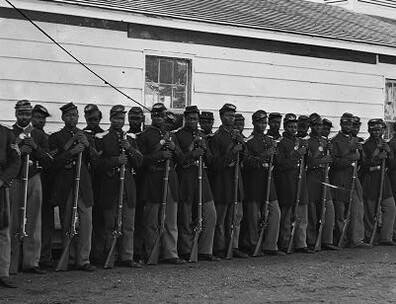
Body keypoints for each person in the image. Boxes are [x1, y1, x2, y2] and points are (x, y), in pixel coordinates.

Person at [48, 102, 96, 271]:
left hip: (83, 184)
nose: (72, 118)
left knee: (86, 223)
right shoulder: (56, 137)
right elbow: (52, 162)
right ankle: (68, 257)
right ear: (63, 117)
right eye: (68, 115)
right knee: (68, 221)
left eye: (74, 115)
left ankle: (83, 259)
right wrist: (71, 153)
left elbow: (96, 161)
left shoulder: (85, 136)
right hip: (66, 184)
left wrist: (88, 146)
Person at [95, 105, 143, 268]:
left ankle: (127, 256)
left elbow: (139, 162)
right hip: (110, 185)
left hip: (127, 185)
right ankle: (111, 255)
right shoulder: (101, 137)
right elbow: (97, 164)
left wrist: (129, 148)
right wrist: (115, 161)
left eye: (121, 118)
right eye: (116, 118)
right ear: (110, 118)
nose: (119, 121)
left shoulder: (130, 138)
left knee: (128, 224)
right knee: (111, 224)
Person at [137, 103, 185, 265]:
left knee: (170, 220)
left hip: (170, 179)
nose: (159, 118)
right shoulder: (144, 136)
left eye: (161, 116)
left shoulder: (171, 135)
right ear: (151, 117)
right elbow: (141, 160)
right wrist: (160, 154)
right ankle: (152, 253)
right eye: (156, 115)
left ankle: (171, 253)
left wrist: (174, 149)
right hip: (154, 179)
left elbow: (182, 159)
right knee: (152, 220)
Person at [10, 100, 51, 274]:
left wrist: (35, 147)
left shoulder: (39, 135)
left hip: (34, 178)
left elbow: (48, 161)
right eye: (21, 114)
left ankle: (31, 262)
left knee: (34, 221)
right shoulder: (9, 133)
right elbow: (5, 157)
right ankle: (11, 262)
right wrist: (20, 150)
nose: (24, 117)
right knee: (13, 221)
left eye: (27, 114)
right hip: (15, 179)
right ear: (16, 114)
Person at [175, 105, 219, 261]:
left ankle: (205, 250)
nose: (194, 121)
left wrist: (205, 150)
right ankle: (186, 250)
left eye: (196, 119)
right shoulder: (178, 135)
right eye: (191, 118)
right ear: (185, 118)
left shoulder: (204, 136)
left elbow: (211, 161)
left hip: (202, 177)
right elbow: (180, 159)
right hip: (186, 178)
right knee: (186, 216)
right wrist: (193, 149)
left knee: (210, 214)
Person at [240, 110, 284, 256]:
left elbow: (278, 162)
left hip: (268, 180)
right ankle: (254, 244)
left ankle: (271, 244)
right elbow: (247, 163)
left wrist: (275, 152)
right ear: (253, 122)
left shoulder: (270, 140)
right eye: (260, 122)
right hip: (254, 182)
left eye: (265, 122)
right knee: (254, 216)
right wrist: (264, 156)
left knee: (275, 212)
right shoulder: (249, 141)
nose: (263, 125)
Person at [210, 103, 248, 259]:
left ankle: (234, 245)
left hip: (236, 181)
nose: (231, 118)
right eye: (228, 115)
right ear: (221, 116)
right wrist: (232, 151)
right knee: (221, 219)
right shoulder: (216, 138)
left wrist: (241, 146)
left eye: (233, 116)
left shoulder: (238, 136)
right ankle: (220, 247)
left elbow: (245, 158)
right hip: (222, 182)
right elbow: (215, 163)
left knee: (236, 218)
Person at [330, 113, 370, 248]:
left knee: (357, 209)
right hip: (340, 178)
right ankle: (342, 239)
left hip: (354, 177)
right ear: (341, 124)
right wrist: (351, 154)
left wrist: (360, 153)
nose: (349, 127)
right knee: (340, 211)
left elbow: (362, 161)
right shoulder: (335, 141)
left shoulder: (355, 139)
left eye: (351, 124)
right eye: (346, 124)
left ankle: (356, 239)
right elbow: (335, 162)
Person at [275, 113, 312, 254]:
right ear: (285, 127)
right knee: (287, 215)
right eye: (290, 126)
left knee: (302, 215)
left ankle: (301, 243)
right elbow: (282, 164)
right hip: (287, 182)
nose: (293, 129)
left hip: (300, 182)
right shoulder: (281, 142)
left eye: (295, 127)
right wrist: (297, 154)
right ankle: (285, 243)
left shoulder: (300, 141)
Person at [360, 119, 396, 246]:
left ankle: (386, 237)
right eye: (374, 130)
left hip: (383, 180)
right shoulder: (365, 145)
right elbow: (365, 165)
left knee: (390, 207)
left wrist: (389, 153)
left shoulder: (386, 144)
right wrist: (377, 156)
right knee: (369, 211)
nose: (377, 132)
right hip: (370, 181)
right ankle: (369, 237)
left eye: (379, 130)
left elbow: (391, 166)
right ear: (369, 130)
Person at [305, 113, 338, 250]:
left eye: (320, 125)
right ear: (310, 126)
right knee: (312, 211)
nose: (318, 127)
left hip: (324, 177)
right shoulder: (306, 141)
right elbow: (308, 162)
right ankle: (312, 240)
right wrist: (320, 160)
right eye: (315, 125)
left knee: (328, 209)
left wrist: (332, 152)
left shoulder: (326, 141)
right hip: (312, 178)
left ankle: (327, 240)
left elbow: (332, 160)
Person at [31, 105, 56, 269]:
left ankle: (45, 257)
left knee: (47, 222)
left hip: (46, 183)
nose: (40, 120)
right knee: (30, 220)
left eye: (43, 118)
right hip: (30, 181)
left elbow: (50, 160)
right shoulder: (25, 135)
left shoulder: (47, 138)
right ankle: (28, 258)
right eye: (37, 117)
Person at [0, 124, 21, 288]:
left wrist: (3, 179)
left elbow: (15, 160)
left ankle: (3, 273)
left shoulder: (6, 133)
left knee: (3, 231)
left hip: (0, 186)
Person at [126, 106, 145, 263]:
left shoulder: (146, 136)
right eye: (132, 118)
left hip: (145, 180)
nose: (135, 122)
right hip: (130, 180)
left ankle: (141, 249)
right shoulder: (126, 137)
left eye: (138, 118)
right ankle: (131, 251)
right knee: (131, 217)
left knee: (143, 218)